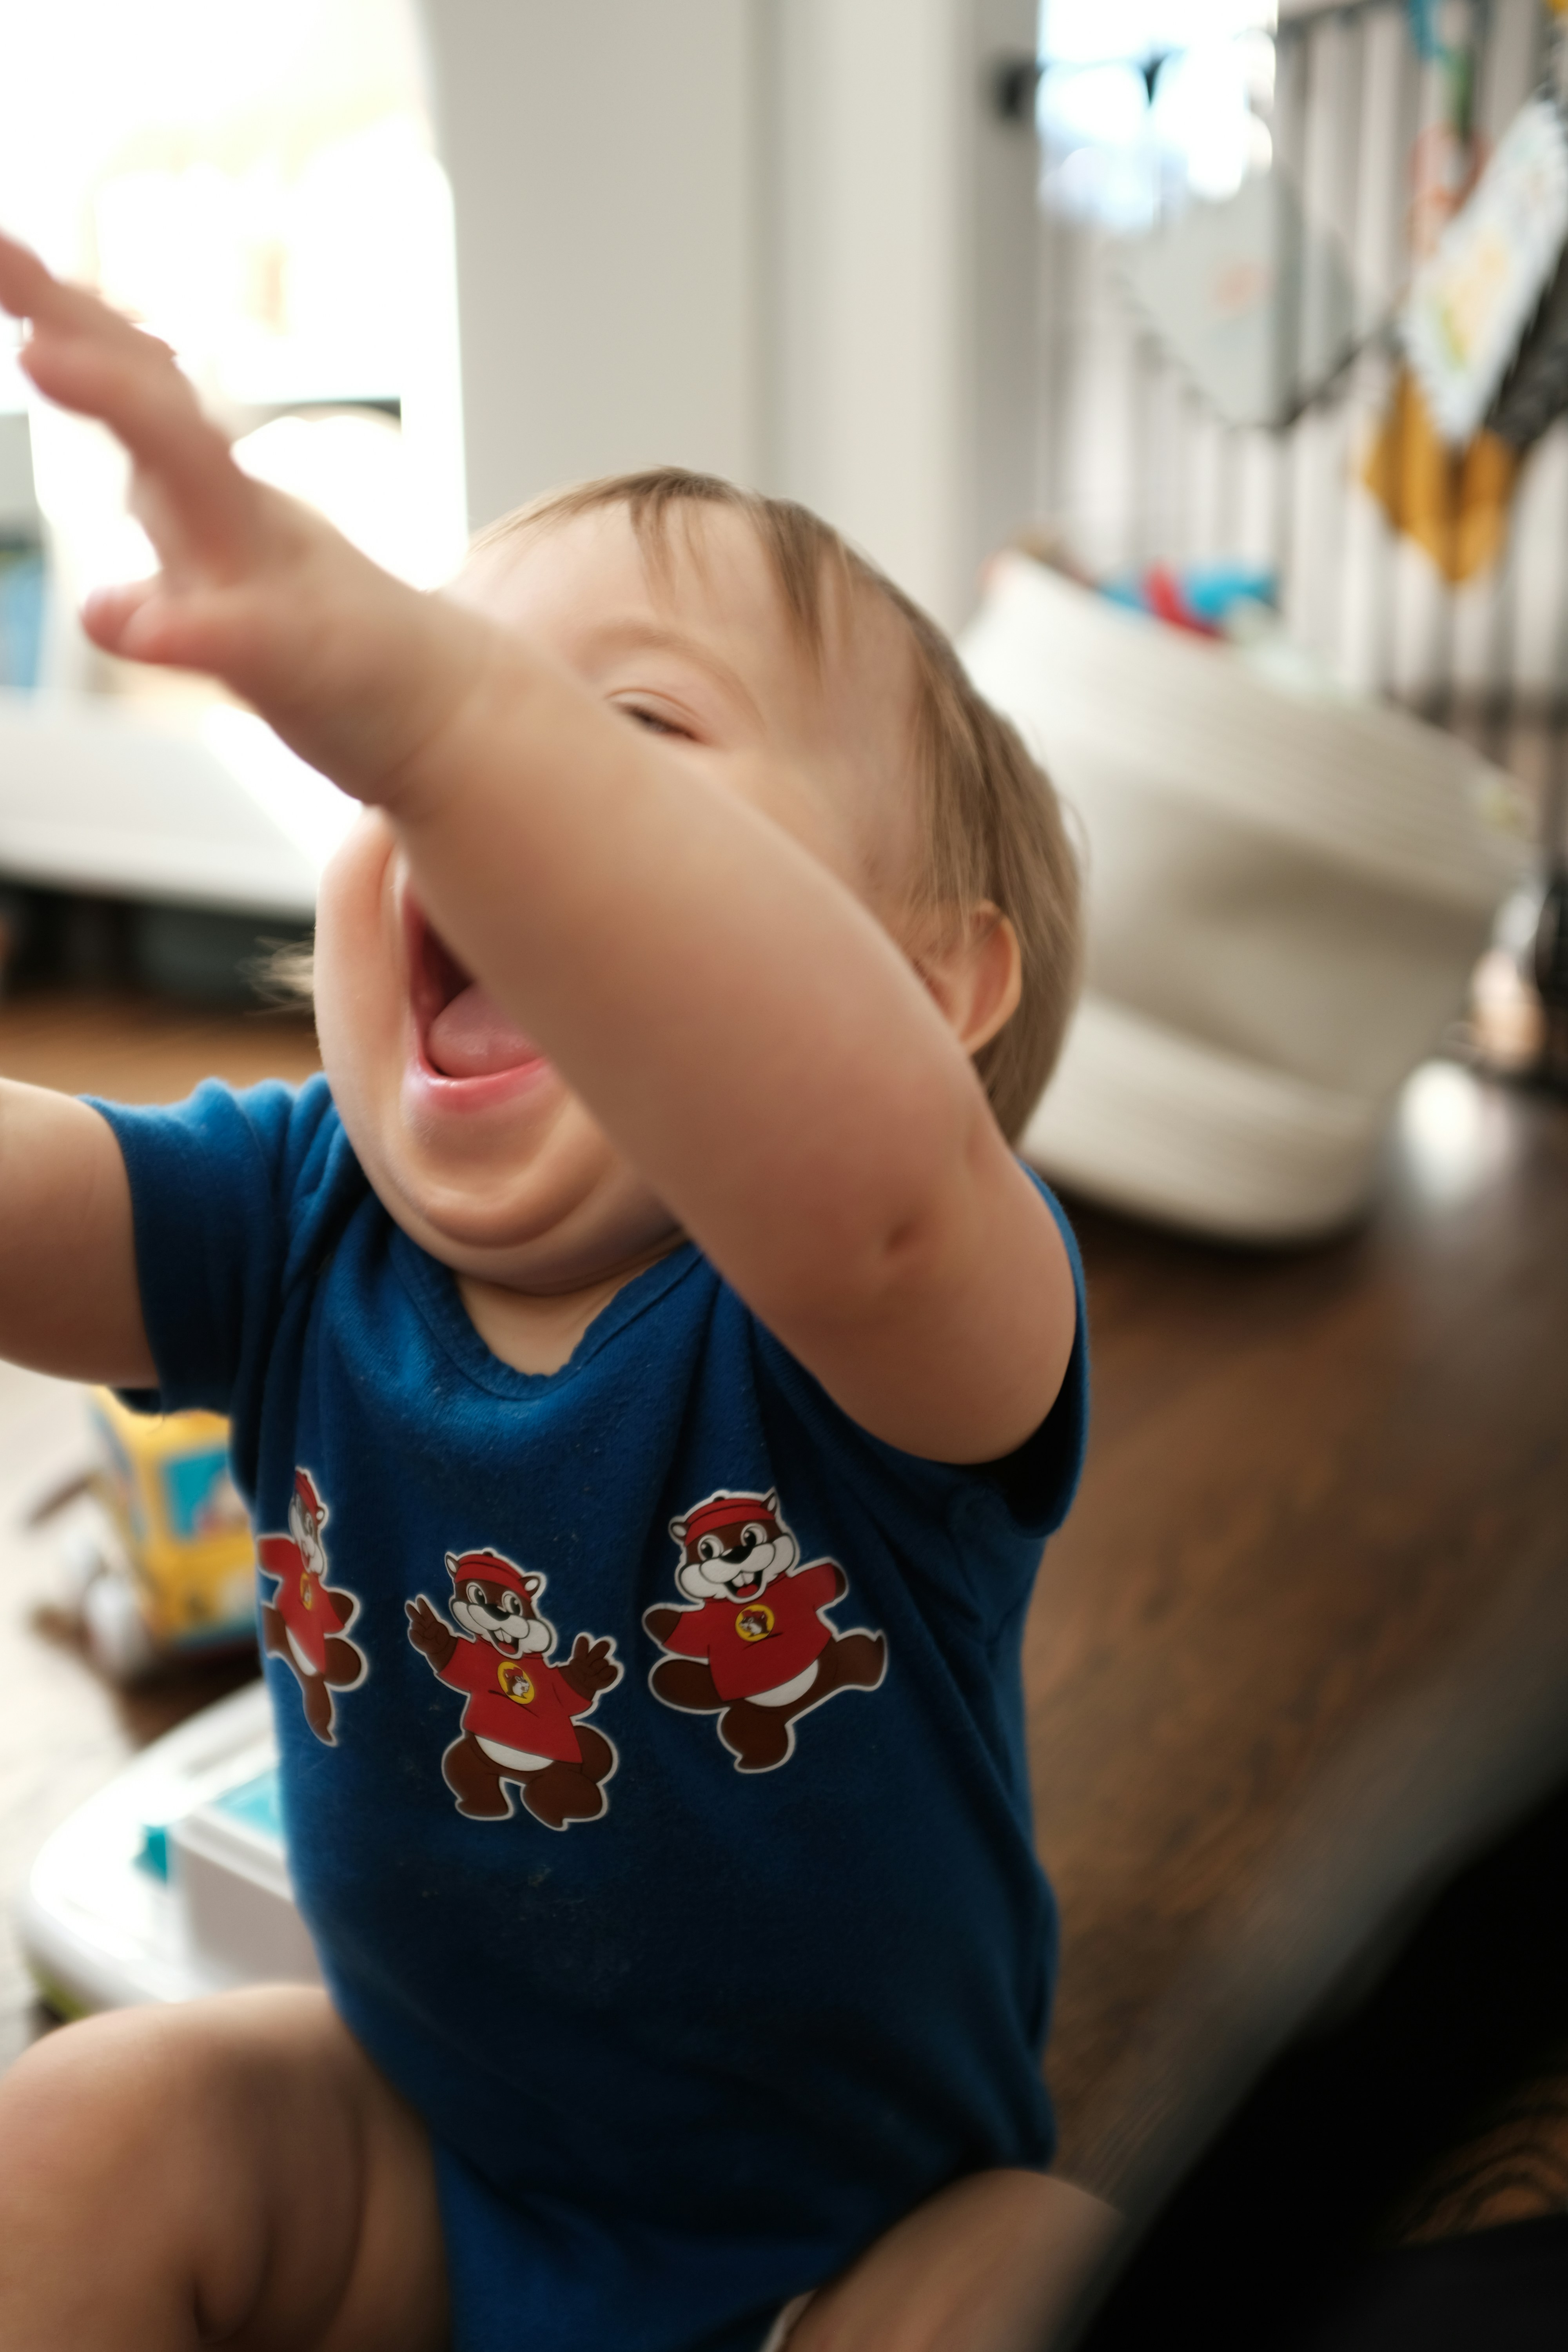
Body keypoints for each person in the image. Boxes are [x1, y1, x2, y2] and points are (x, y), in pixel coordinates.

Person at [0, 235, 1115, 2351]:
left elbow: (860, 1173)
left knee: (1057, 2275)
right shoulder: (297, 1211)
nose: (467, 799)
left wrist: (434, 702)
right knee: (77, 2134)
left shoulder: (885, 1307)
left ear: (935, 988)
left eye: (610, 739)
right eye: (429, 748)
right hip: (435, 2164)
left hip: (854, 2239)